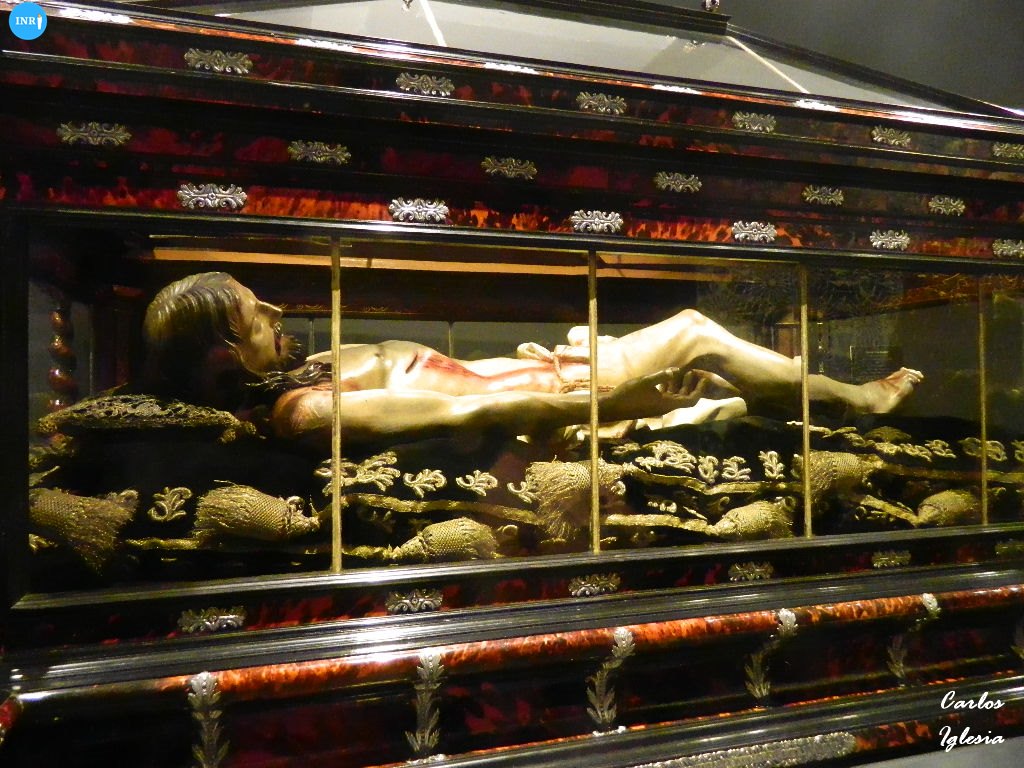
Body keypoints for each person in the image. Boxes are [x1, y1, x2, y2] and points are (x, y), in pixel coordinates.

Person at [142, 272, 923, 448]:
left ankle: (812, 396)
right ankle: (857, 401)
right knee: (695, 334)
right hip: (572, 397)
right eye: (256, 317)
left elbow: (463, 378)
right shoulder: (308, 410)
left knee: (714, 362)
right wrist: (613, 405)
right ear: (221, 357)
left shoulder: (307, 371)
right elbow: (474, 410)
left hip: (558, 371)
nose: (278, 315)